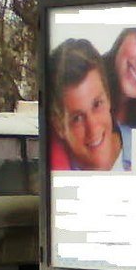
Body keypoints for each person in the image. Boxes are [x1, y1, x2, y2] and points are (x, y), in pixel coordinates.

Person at [49, 38, 125, 171]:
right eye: (77, 118)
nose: (93, 128)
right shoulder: (58, 180)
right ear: (60, 127)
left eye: (97, 105)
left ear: (108, 99)